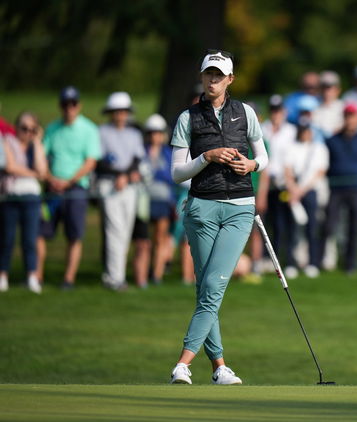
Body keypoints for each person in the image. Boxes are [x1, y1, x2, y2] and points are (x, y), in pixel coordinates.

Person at [169, 50, 268, 385]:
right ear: (202, 77)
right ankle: (220, 367)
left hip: (240, 207)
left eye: (218, 75)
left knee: (212, 285)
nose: (212, 80)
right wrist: (207, 157)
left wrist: (252, 165)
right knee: (205, 290)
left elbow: (263, 154)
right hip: (201, 208)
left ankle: (183, 363)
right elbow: (177, 173)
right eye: (208, 74)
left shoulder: (246, 113)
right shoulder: (188, 118)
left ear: (230, 80)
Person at [38, 86, 101, 289]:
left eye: (72, 104)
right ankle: (36, 276)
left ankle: (68, 279)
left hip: (76, 189)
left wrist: (68, 181)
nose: (69, 108)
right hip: (52, 188)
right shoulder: (52, 129)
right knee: (40, 232)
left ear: (78, 105)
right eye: (65, 104)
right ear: (61, 106)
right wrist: (49, 177)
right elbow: (42, 157)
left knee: (74, 235)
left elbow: (90, 162)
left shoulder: (89, 129)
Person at [97, 91, 145, 290]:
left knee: (124, 233)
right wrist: (120, 175)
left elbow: (137, 158)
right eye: (116, 111)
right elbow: (99, 161)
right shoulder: (101, 132)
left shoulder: (133, 133)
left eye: (123, 111)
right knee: (114, 230)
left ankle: (113, 274)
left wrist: (129, 173)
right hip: (109, 184)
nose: (120, 115)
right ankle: (116, 278)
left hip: (129, 186)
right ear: (111, 113)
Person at [320, 103, 357, 274]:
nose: (351, 120)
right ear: (344, 118)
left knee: (356, 225)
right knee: (329, 224)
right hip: (336, 188)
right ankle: (318, 260)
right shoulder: (332, 140)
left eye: (353, 116)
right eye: (348, 116)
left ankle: (350, 263)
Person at [0, 112, 47, 293]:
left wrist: (36, 142)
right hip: (10, 196)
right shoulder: (6, 141)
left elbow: (42, 169)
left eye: (32, 129)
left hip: (32, 197)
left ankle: (31, 276)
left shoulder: (35, 146)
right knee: (7, 238)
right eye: (24, 128)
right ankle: (3, 275)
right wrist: (35, 174)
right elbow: (10, 166)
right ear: (16, 127)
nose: (27, 132)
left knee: (30, 239)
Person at [283, 120, 329, 279]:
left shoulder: (319, 148)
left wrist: (300, 190)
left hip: (310, 192)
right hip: (294, 191)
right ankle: (290, 263)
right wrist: (293, 189)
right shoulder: (292, 147)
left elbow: (320, 172)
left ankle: (313, 262)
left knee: (312, 228)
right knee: (292, 228)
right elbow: (287, 170)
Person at [261, 95, 297, 261]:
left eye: (278, 110)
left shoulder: (291, 131)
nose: (276, 114)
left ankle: (287, 258)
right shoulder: (263, 129)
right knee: (265, 222)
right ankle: (266, 258)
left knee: (284, 222)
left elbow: (290, 158)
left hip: (283, 182)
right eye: (273, 110)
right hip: (264, 182)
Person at [143, 114, 176, 284]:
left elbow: (174, 176)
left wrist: (156, 173)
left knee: (160, 238)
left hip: (163, 201)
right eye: (152, 132)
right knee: (145, 240)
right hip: (144, 201)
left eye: (158, 132)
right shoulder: (142, 151)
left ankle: (157, 274)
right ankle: (145, 272)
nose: (155, 136)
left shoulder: (168, 153)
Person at [313, 70, 344, 138]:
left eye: (329, 87)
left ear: (337, 90)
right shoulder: (312, 105)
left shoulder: (343, 107)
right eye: (323, 87)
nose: (326, 91)